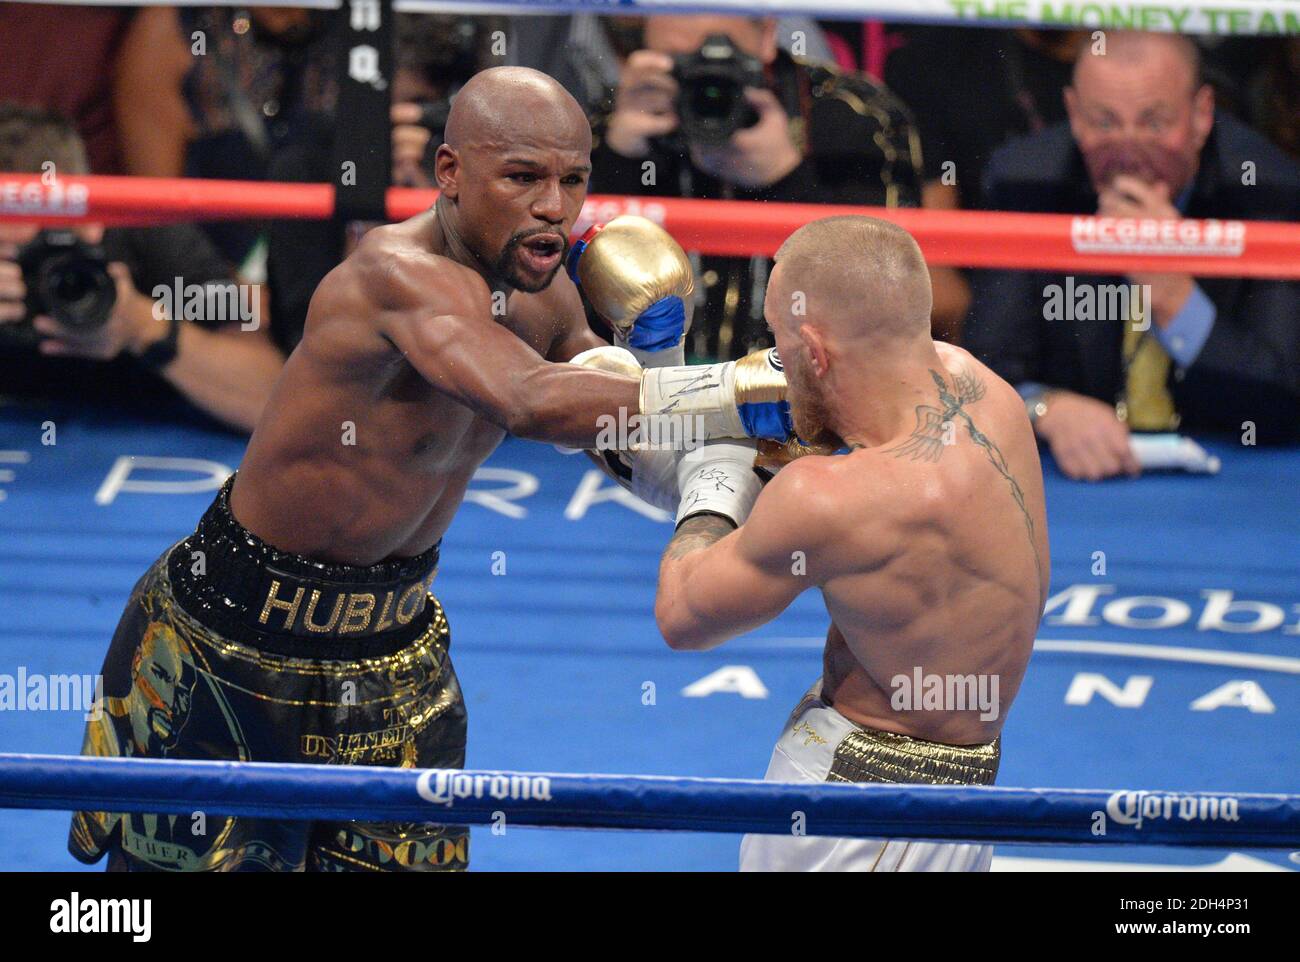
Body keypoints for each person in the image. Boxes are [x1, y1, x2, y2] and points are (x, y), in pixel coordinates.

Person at [68, 67, 798, 872]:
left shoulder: (545, 293)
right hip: (237, 637)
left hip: (393, 647)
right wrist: (742, 388)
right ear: (450, 173)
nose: (553, 206)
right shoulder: (395, 274)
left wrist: (674, 377)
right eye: (522, 177)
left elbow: (624, 431)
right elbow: (528, 401)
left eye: (573, 180)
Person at [652, 216, 1049, 872]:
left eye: (780, 343)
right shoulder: (991, 397)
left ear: (814, 348)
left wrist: (711, 483)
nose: (775, 362)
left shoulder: (826, 500)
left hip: (855, 814)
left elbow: (683, 616)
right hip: (966, 799)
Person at [964, 31, 1300, 480]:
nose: (1128, 149)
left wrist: (1173, 296)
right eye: (1104, 123)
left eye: (1154, 123)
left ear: (1201, 115)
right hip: (1072, 482)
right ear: (1073, 114)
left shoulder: (1268, 190)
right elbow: (983, 364)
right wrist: (1047, 407)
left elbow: (1284, 397)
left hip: (1234, 477)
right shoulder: (1027, 181)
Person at [589, 15, 922, 360]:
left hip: (811, 384)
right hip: (653, 388)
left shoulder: (856, 116)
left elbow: (888, 300)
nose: (703, 76)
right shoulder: (618, 116)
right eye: (676, 60)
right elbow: (577, 308)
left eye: (717, 55)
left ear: (766, 35)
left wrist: (788, 179)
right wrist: (619, 162)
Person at [0, 104, 284, 432]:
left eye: (40, 248)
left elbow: (271, 397)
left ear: (92, 218)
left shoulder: (157, 241)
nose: (24, 274)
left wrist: (144, 327)